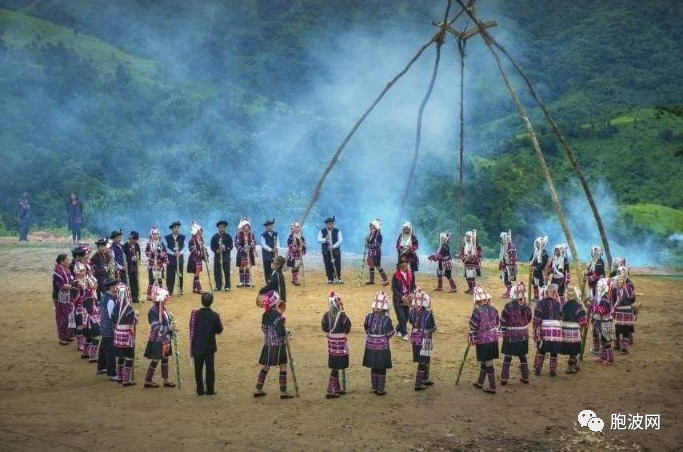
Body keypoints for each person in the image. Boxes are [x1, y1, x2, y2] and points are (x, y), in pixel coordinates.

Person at [253, 290, 294, 399]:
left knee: (266, 367)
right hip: (278, 346)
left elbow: (263, 329)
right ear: (276, 302)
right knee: (283, 366)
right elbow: (281, 332)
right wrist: (287, 332)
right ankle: (283, 392)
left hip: (267, 345)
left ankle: (258, 389)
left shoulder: (265, 315)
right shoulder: (278, 316)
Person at [189, 293, 224, 396]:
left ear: (201, 301)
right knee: (210, 369)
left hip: (197, 346)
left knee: (198, 369)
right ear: (211, 302)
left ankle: (199, 390)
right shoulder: (215, 315)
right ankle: (210, 390)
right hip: (209, 346)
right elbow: (219, 330)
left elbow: (192, 328)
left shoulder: (195, 314)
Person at [469, 285, 500, 394]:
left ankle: (492, 386)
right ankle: (480, 382)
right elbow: (497, 322)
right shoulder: (494, 309)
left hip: (483, 340)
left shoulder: (477, 311)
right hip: (494, 338)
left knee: (488, 362)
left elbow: (473, 326)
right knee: (485, 360)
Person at [362, 291, 395, 396]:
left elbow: (366, 329)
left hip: (370, 344)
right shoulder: (386, 319)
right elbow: (390, 333)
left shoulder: (368, 317)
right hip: (382, 346)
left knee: (373, 365)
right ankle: (380, 389)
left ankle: (374, 386)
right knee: (381, 366)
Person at [500, 281, 532, 385]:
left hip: (510, 336)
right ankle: (525, 377)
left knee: (508, 356)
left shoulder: (508, 306)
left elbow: (503, 320)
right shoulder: (527, 307)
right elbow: (529, 319)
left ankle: (504, 378)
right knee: (522, 356)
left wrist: (503, 330)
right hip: (523, 335)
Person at [143, 288, 176, 388]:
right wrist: (168, 328)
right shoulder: (153, 311)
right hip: (157, 339)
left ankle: (165, 379)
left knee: (165, 358)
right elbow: (155, 327)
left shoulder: (162, 308)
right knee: (156, 359)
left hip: (164, 338)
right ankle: (148, 380)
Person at [321, 292, 351, 399]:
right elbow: (348, 328)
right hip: (341, 343)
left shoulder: (326, 315)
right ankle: (331, 389)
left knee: (335, 364)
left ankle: (336, 388)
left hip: (331, 342)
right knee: (337, 365)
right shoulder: (343, 316)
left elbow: (324, 328)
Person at [532, 284, 563, 376]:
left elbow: (537, 317)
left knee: (542, 349)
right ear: (554, 293)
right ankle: (552, 371)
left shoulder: (540, 303)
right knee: (554, 350)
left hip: (544, 330)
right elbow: (561, 316)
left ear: (545, 293)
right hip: (556, 331)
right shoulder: (558, 304)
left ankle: (538, 369)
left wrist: (535, 326)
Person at [409, 288, 436, 391]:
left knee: (424, 359)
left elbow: (411, 322)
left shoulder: (412, 312)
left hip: (415, 338)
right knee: (423, 360)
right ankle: (418, 383)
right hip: (426, 338)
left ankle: (424, 379)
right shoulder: (429, 314)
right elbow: (433, 328)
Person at [73, 262, 100, 363]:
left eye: (84, 270)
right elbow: (74, 298)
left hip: (89, 311)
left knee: (89, 335)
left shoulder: (88, 282)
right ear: (76, 272)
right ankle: (92, 355)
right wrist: (83, 298)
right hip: (82, 310)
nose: (83, 272)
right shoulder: (75, 283)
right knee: (96, 334)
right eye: (81, 271)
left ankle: (85, 352)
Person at [111, 283, 137, 387]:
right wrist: (136, 316)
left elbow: (113, 319)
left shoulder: (116, 307)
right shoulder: (129, 308)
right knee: (129, 357)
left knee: (120, 355)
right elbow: (132, 322)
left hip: (117, 335)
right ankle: (126, 379)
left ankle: (120, 377)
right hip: (127, 336)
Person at [560, 286, 588, 373]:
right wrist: (582, 329)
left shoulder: (564, 305)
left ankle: (575, 364)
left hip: (565, 330)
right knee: (574, 349)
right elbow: (583, 322)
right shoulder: (579, 306)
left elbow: (560, 315)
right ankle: (570, 366)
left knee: (570, 348)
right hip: (574, 331)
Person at [97, 277, 119, 380]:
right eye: (115, 286)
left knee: (103, 347)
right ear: (111, 287)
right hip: (109, 328)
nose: (116, 288)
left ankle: (101, 367)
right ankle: (112, 373)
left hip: (103, 326)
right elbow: (113, 317)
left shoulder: (104, 297)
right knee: (111, 350)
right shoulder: (110, 300)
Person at [612, 270, 636, 354]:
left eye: (622, 281)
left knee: (625, 329)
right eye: (619, 281)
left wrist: (614, 308)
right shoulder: (616, 289)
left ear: (624, 281)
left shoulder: (628, 288)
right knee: (617, 329)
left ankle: (624, 348)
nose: (620, 282)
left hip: (626, 311)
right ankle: (617, 345)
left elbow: (632, 299)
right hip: (619, 311)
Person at [592, 278, 615, 365]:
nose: (597, 289)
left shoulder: (603, 299)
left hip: (606, 323)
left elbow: (601, 311)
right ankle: (603, 356)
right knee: (603, 340)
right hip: (602, 322)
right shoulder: (601, 298)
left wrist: (593, 308)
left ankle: (610, 359)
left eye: (599, 288)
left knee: (606, 340)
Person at [391, 255, 415, 341]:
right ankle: (404, 333)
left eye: (406, 265)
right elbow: (393, 289)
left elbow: (413, 286)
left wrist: (412, 293)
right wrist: (401, 297)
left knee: (406, 317)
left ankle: (398, 329)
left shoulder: (411, 274)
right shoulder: (395, 275)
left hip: (408, 299)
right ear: (399, 266)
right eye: (403, 266)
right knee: (401, 317)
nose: (405, 267)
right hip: (398, 299)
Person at [53, 254, 74, 345]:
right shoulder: (57, 271)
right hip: (60, 297)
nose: (69, 261)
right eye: (67, 259)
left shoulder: (67, 270)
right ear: (62, 261)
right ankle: (62, 337)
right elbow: (61, 286)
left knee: (69, 315)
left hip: (68, 296)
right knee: (62, 317)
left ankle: (68, 335)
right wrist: (74, 286)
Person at [317, 216, 343, 284]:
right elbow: (319, 240)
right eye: (330, 224)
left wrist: (333, 246)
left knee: (337, 264)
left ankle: (338, 278)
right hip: (326, 250)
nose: (331, 225)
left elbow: (340, 240)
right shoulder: (322, 231)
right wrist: (325, 239)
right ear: (326, 224)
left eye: (332, 223)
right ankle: (330, 278)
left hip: (335, 250)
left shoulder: (337, 231)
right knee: (328, 264)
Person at [364, 219, 389, 286]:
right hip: (371, 252)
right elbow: (369, 241)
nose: (370, 227)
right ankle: (371, 280)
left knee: (377, 266)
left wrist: (368, 245)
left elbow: (377, 245)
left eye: (371, 226)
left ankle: (386, 280)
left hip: (376, 252)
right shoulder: (371, 234)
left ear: (375, 227)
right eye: (370, 226)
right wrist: (366, 241)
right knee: (371, 265)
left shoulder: (379, 235)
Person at [145, 227, 168, 300]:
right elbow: (146, 253)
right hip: (152, 265)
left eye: (157, 234)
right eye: (154, 234)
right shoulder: (149, 244)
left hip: (159, 265)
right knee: (151, 280)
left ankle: (160, 294)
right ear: (152, 235)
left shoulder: (161, 244)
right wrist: (152, 253)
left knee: (160, 279)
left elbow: (165, 252)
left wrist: (160, 254)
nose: (156, 235)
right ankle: (149, 295)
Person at [210, 220, 233, 292]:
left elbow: (231, 246)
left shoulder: (228, 236)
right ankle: (218, 286)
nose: (222, 229)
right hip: (217, 257)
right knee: (217, 272)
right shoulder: (214, 237)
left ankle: (227, 286)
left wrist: (225, 248)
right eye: (221, 227)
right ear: (218, 228)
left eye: (224, 227)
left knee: (226, 272)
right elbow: (212, 247)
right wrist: (217, 250)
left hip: (226, 257)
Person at [165, 221, 186, 296]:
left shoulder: (182, 237)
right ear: (172, 229)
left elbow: (185, 247)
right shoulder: (167, 237)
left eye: (177, 228)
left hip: (179, 258)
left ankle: (180, 289)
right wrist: (173, 253)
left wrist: (180, 253)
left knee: (180, 274)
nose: (176, 229)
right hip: (170, 259)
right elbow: (166, 248)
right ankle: (170, 290)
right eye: (175, 228)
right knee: (170, 275)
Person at [188, 222, 208, 294]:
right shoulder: (191, 241)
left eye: (201, 232)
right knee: (196, 273)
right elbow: (193, 250)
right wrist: (202, 254)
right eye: (199, 232)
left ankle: (195, 288)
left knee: (197, 273)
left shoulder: (201, 240)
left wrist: (206, 254)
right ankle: (199, 288)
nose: (201, 233)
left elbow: (204, 248)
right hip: (194, 260)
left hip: (199, 259)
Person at [460, 230, 483, 294]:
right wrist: (464, 258)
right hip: (467, 263)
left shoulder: (476, 245)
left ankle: (473, 289)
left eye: (469, 237)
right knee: (467, 277)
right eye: (466, 237)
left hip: (473, 263)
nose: (467, 239)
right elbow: (461, 253)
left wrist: (473, 256)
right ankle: (470, 288)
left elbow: (480, 253)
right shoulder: (464, 245)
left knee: (472, 277)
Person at [236, 218, 257, 288]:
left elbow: (254, 242)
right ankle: (241, 282)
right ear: (243, 227)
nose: (246, 227)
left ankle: (247, 281)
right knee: (241, 267)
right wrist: (243, 249)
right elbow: (236, 243)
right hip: (241, 253)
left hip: (249, 253)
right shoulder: (239, 234)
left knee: (248, 267)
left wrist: (250, 247)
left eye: (248, 226)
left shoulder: (251, 235)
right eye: (245, 226)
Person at [123, 231, 141, 303]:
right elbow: (123, 257)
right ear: (130, 238)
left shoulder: (137, 245)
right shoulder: (125, 246)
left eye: (136, 239)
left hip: (135, 268)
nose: (134, 241)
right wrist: (131, 259)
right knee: (130, 282)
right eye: (133, 239)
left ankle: (136, 296)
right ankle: (131, 297)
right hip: (128, 268)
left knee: (136, 282)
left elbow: (139, 255)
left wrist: (138, 259)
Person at [529, 236, 549, 302]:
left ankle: (543, 298)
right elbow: (531, 259)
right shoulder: (535, 252)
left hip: (541, 272)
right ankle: (536, 297)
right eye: (537, 243)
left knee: (542, 285)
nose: (537, 244)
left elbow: (544, 264)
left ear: (542, 244)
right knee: (534, 283)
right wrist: (531, 264)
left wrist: (536, 268)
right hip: (535, 271)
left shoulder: (544, 253)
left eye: (539, 243)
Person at [286, 221, 306, 286]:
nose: (297, 228)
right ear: (293, 228)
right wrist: (296, 249)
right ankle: (295, 279)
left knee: (297, 266)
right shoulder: (291, 236)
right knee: (294, 266)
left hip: (299, 254)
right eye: (295, 227)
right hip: (293, 254)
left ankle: (295, 278)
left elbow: (304, 242)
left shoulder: (301, 236)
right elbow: (289, 245)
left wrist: (302, 247)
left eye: (298, 227)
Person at [498, 230, 517, 298]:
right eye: (502, 239)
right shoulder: (504, 246)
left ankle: (510, 292)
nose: (503, 240)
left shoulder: (511, 246)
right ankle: (508, 291)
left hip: (509, 266)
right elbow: (502, 256)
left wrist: (511, 267)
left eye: (504, 239)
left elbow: (513, 257)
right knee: (505, 279)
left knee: (508, 279)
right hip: (504, 265)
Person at [260, 219, 279, 283]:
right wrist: (271, 250)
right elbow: (263, 245)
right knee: (267, 268)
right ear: (266, 227)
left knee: (275, 267)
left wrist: (277, 248)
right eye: (268, 226)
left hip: (275, 254)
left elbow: (278, 242)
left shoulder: (276, 234)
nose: (270, 227)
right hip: (266, 254)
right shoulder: (263, 235)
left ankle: (274, 281)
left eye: (271, 225)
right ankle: (268, 282)